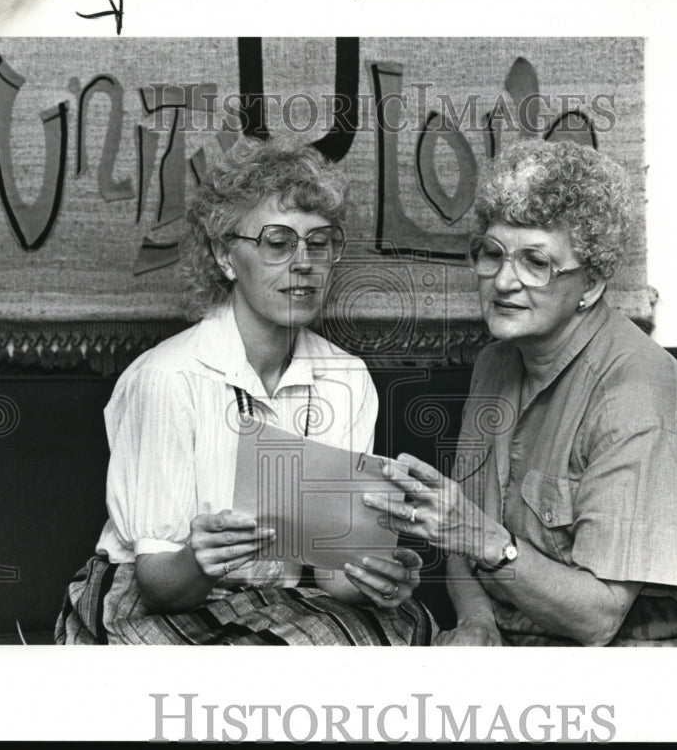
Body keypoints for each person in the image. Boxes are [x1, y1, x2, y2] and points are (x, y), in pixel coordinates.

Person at [364, 138, 677, 647]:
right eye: (492, 254)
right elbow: (459, 534)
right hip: (537, 642)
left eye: (536, 262)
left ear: (592, 285)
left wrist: (486, 541)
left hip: (672, 645)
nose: (504, 281)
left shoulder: (640, 401)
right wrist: (476, 622)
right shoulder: (496, 363)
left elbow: (597, 618)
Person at [55, 137, 433, 645]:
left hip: (280, 601)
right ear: (224, 255)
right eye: (277, 242)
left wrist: (375, 577)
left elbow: (332, 575)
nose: (304, 263)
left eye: (318, 243)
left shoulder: (347, 379)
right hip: (161, 596)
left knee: (402, 630)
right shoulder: (168, 379)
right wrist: (196, 559)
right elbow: (159, 585)